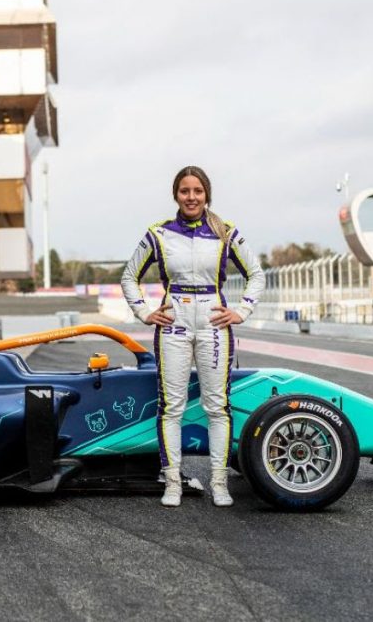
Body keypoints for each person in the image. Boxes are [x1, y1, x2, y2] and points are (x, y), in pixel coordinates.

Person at [121, 166, 265, 507]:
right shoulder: (158, 233)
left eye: (197, 191)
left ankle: (219, 483)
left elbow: (256, 274)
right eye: (185, 191)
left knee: (217, 406)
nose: (191, 197)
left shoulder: (225, 231)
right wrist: (144, 312)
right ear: (176, 195)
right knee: (172, 406)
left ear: (206, 194)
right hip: (174, 323)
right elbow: (129, 276)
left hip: (214, 323)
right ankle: (172, 481)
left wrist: (242, 311)